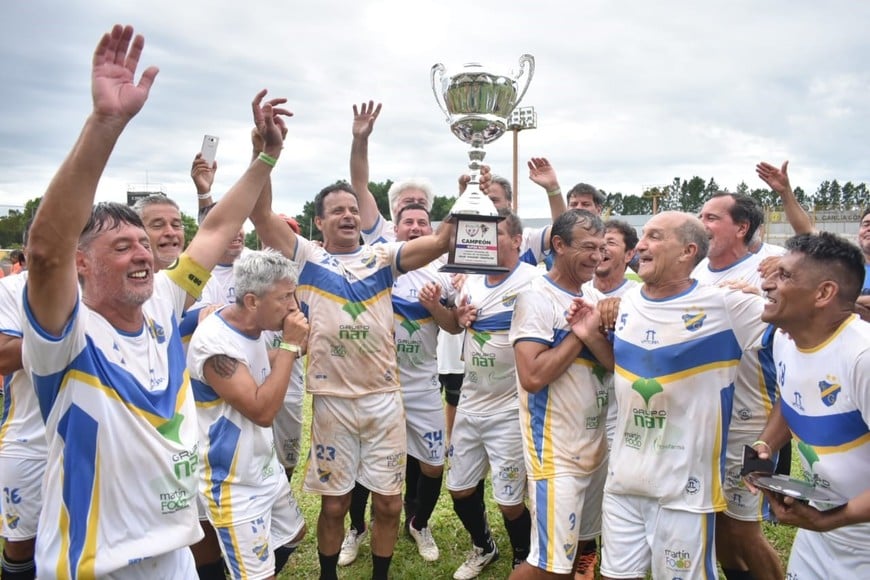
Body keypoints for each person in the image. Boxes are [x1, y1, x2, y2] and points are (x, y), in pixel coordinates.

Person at [21, 24, 290, 577]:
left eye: (145, 242)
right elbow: (45, 251)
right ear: (83, 264)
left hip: (174, 552)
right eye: (123, 245)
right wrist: (105, 124)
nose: (144, 253)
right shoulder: (66, 334)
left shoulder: (163, 304)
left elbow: (215, 229)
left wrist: (263, 161)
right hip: (94, 563)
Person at [249, 169, 455, 580]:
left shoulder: (382, 257)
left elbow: (439, 241)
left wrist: (469, 199)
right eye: (337, 211)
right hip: (332, 402)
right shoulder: (306, 257)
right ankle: (329, 575)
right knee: (334, 505)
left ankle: (380, 575)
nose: (347, 215)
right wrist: (268, 156)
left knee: (390, 504)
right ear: (319, 222)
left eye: (353, 209)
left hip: (384, 399)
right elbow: (260, 214)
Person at [600, 211, 767, 580]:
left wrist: (763, 293)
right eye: (642, 236)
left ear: (688, 251)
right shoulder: (624, 303)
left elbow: (803, 323)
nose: (641, 245)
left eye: (655, 237)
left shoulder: (727, 305)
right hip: (623, 482)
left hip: (686, 491)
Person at [751, 232, 870, 578]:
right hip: (820, 533)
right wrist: (765, 445)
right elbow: (792, 399)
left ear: (824, 293)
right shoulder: (786, 341)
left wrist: (830, 520)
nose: (768, 284)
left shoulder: (862, 358)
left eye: (784, 275)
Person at [428, 209, 540, 579]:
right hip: (470, 404)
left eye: (498, 235)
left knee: (509, 502)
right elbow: (456, 330)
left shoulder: (533, 282)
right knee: (459, 489)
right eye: (485, 236)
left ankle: (522, 557)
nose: (488, 242)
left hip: (511, 408)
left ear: (517, 241)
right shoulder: (471, 280)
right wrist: (452, 315)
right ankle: (484, 545)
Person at [187, 250, 308, 579]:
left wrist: (289, 349)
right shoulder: (215, 343)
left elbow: (253, 363)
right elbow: (262, 410)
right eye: (284, 297)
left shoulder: (250, 329)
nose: (293, 305)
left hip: (263, 468)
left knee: (295, 534)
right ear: (253, 301)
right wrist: (289, 347)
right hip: (233, 484)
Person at [509, 210, 613, 579]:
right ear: (558, 245)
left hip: (593, 448)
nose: (597, 257)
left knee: (572, 556)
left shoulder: (592, 294)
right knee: (546, 565)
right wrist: (578, 334)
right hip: (554, 451)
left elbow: (612, 364)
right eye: (587, 247)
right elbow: (533, 376)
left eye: (601, 248)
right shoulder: (535, 297)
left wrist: (591, 331)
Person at [692, 192, 783, 580]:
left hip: (751, 421)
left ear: (741, 227)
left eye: (711, 217)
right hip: (704, 419)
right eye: (700, 216)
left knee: (745, 528)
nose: (702, 223)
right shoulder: (692, 274)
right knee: (718, 523)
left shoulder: (771, 267)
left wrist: (766, 295)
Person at [0, 225, 37, 580]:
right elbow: (3, 357)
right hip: (30, 441)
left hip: (90, 439)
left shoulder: (98, 285)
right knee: (22, 541)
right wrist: (62, 338)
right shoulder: (11, 288)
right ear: (25, 250)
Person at [133, 194, 186, 271]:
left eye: (176, 225)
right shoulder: (121, 281)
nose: (171, 233)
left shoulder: (204, 278)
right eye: (158, 225)